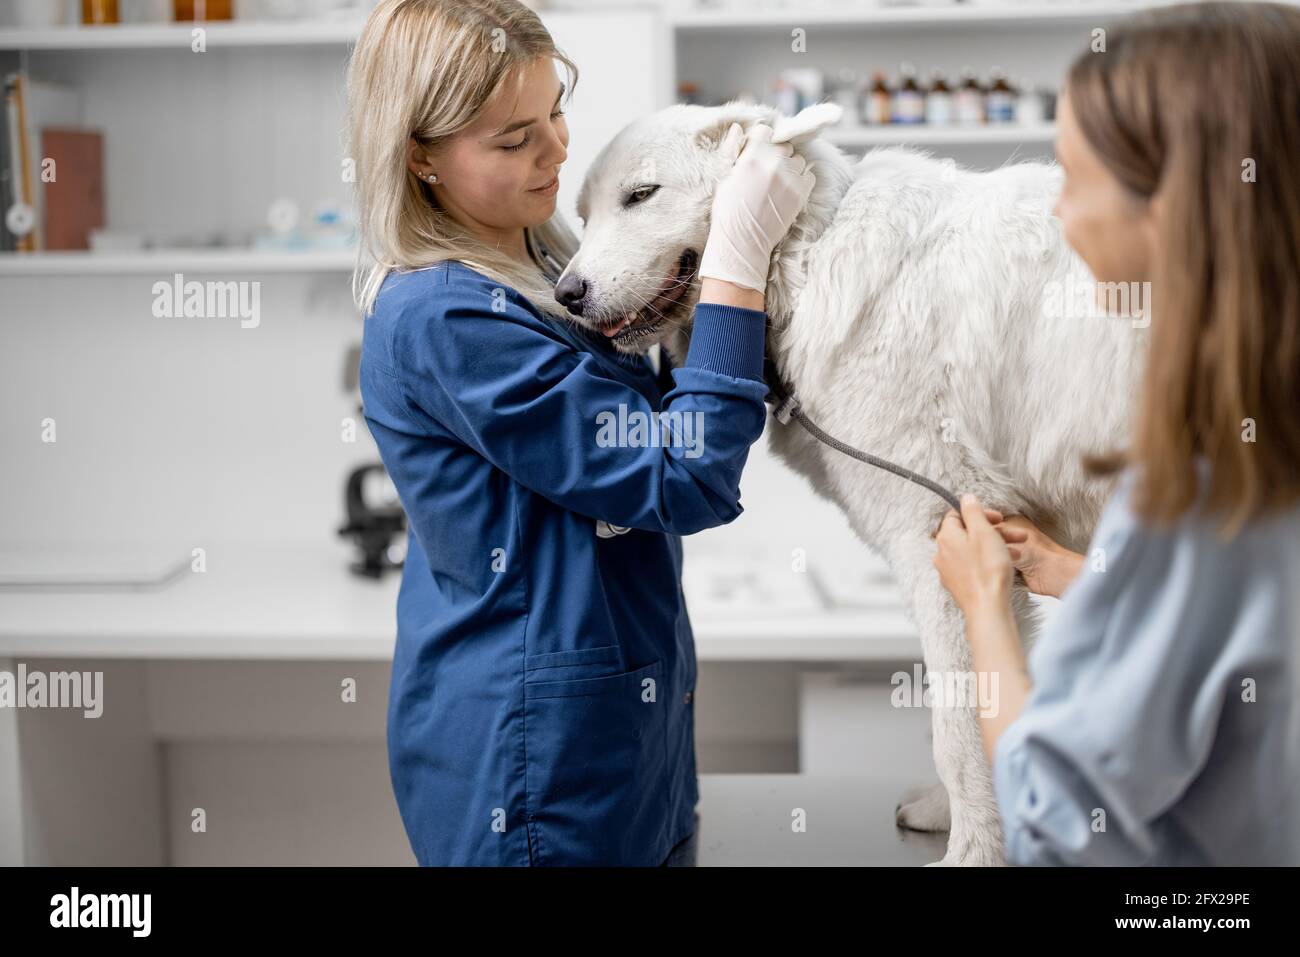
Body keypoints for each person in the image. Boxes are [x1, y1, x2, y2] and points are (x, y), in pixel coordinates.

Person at [344, 0, 814, 865]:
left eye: (554, 110)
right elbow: (682, 477)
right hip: (537, 774)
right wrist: (736, 259)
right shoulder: (443, 314)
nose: (557, 147)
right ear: (420, 155)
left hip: (635, 753)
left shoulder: (548, 265)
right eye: (512, 138)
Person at [933, 0, 1300, 865]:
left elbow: (1057, 825)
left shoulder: (1203, 481)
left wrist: (986, 607)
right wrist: (1088, 576)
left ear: (1170, 204)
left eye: (1072, 174)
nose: (1058, 211)